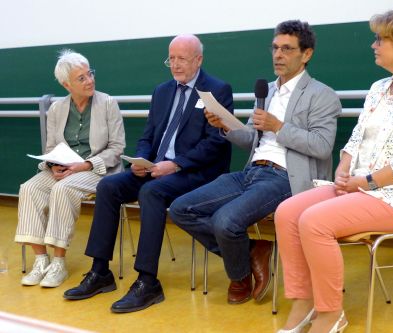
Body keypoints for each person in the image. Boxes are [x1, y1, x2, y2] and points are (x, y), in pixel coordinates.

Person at [274, 8, 393, 333]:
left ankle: (330, 313)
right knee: (287, 212)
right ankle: (304, 299)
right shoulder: (378, 88)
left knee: (315, 221)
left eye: (380, 39)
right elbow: (356, 138)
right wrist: (344, 169)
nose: (374, 45)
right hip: (360, 187)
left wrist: (366, 182)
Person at [170, 20, 341, 305]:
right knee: (180, 209)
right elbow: (251, 139)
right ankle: (252, 251)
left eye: (287, 49)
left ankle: (238, 276)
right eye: (275, 48)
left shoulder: (322, 95)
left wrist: (278, 126)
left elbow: (322, 147)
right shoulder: (267, 90)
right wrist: (224, 125)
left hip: (285, 178)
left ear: (306, 54)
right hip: (251, 172)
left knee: (226, 221)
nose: (278, 55)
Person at [63, 34, 233, 313]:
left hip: (195, 172)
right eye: (171, 59)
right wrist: (140, 160)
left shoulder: (217, 90)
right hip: (155, 167)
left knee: (151, 192)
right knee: (108, 187)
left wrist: (176, 164)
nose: (175, 65)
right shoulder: (162, 91)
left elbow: (215, 144)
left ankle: (147, 281)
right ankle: (100, 271)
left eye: (182, 59)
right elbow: (149, 136)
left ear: (198, 60)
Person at [15, 50, 126, 288]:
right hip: (64, 169)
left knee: (62, 190)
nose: (90, 81)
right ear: (67, 85)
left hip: (97, 170)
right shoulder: (56, 109)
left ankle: (58, 263)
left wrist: (84, 165)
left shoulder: (107, 103)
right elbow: (51, 146)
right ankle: (41, 260)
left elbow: (117, 148)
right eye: (82, 78)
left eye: (90, 74)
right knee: (29, 188)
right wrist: (53, 164)